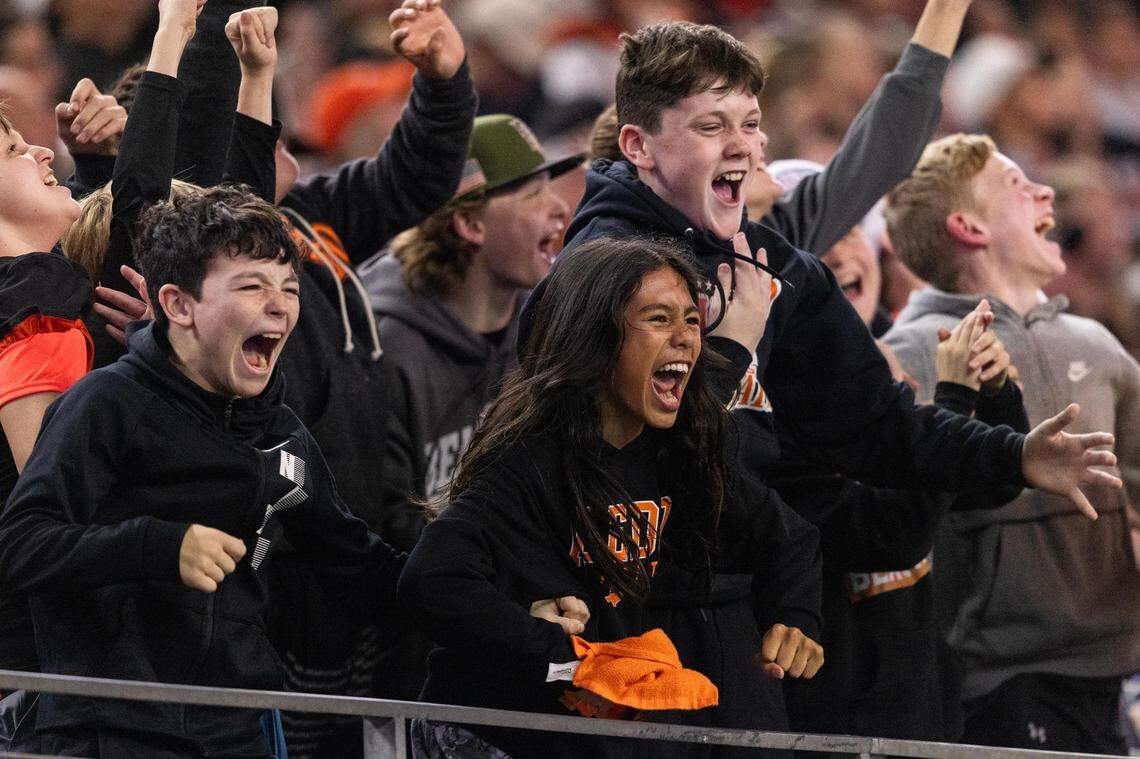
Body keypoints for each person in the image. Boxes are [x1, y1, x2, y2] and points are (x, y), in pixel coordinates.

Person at [0, 185, 406, 759]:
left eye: (288, 288)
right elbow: (20, 545)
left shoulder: (284, 433)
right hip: (110, 731)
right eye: (252, 286)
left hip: (239, 730)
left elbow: (361, 565)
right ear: (178, 304)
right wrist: (160, 546)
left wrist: (503, 605)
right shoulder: (107, 405)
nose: (280, 306)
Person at [399, 236, 823, 759]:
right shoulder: (531, 460)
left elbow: (790, 538)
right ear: (596, 338)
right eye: (659, 319)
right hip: (495, 737)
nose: (687, 339)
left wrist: (796, 616)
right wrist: (561, 653)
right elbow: (431, 580)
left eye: (692, 320)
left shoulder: (682, 451)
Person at [882, 133, 1140, 755]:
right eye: (1015, 183)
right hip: (999, 680)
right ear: (969, 226)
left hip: (1116, 667)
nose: (1045, 190)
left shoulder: (1096, 343)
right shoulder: (906, 355)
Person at [360, 113, 578, 500]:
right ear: (469, 223)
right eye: (532, 193)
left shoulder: (547, 327)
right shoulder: (384, 346)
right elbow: (378, 520)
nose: (560, 207)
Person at [0, 109, 91, 751]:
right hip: (40, 677)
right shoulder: (37, 312)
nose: (40, 149)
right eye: (9, 149)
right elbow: (58, 517)